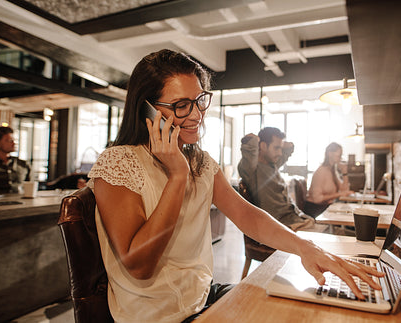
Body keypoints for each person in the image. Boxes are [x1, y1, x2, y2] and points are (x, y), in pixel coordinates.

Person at [87, 49, 383, 323]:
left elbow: (248, 216)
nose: (196, 115)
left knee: (307, 310)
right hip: (158, 316)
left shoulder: (201, 162)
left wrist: (306, 247)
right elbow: (139, 266)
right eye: (180, 105)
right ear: (147, 110)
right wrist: (177, 176)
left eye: (199, 100)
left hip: (202, 298)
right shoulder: (119, 162)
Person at [238, 128, 316, 231]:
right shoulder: (252, 170)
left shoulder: (273, 165)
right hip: (283, 227)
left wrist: (285, 145)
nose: (280, 153)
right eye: (276, 148)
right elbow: (249, 146)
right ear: (263, 146)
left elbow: (289, 149)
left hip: (296, 221)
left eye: (280, 148)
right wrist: (253, 140)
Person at [304, 142, 354, 216]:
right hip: (316, 210)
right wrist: (339, 194)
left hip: (325, 208)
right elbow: (317, 199)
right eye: (339, 155)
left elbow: (345, 190)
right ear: (329, 154)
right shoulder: (321, 171)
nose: (341, 158)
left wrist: (344, 173)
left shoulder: (332, 170)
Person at [0, 126, 30, 194]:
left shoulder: (23, 164)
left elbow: (31, 187)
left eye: (14, 140)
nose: (14, 143)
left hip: (22, 203)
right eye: (9, 141)